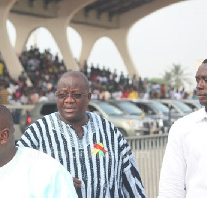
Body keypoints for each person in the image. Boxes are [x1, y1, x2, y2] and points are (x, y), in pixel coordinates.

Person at [17, 71, 146, 197]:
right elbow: (16, 173)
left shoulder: (109, 131)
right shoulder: (38, 132)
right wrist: (53, 181)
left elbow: (132, 181)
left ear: (88, 97)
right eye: (62, 95)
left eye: (76, 95)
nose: (69, 100)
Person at [158, 59, 207, 197]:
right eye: (197, 80)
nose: (199, 86)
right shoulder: (183, 128)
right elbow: (171, 187)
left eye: (205, 79)